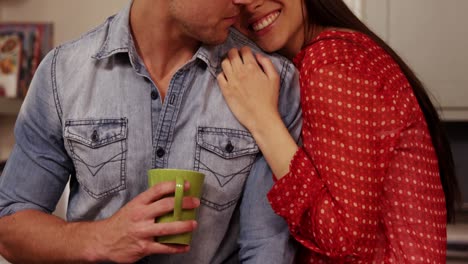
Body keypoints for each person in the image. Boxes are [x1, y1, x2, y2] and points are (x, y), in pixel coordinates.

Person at [0, 0, 302, 263]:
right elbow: (9, 226)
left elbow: (266, 248)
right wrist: (102, 238)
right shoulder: (62, 74)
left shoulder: (270, 80)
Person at [218, 0, 461, 262]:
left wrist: (262, 119)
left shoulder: (331, 63)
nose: (251, 4)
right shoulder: (336, 55)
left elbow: (345, 240)